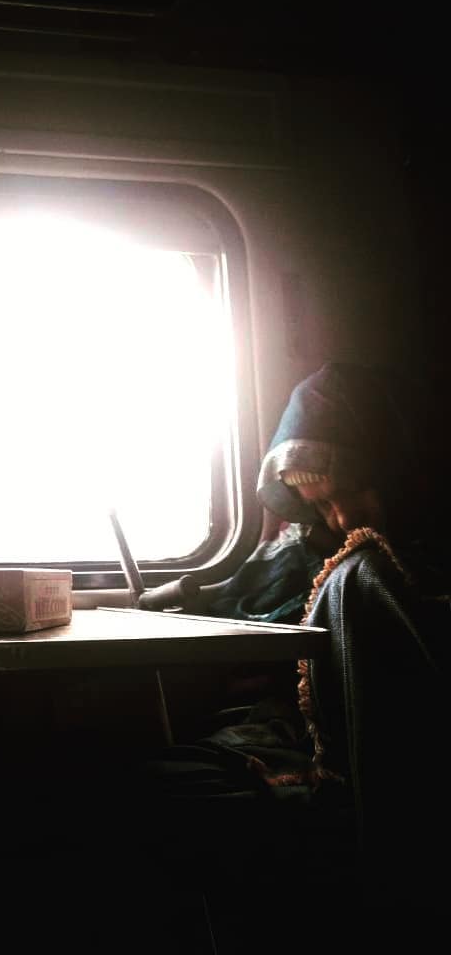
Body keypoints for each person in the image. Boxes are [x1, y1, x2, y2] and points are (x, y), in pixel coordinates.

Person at [137, 361, 450, 948]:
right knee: (159, 780)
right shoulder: (315, 547)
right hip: (292, 725)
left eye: (349, 495)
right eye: (320, 507)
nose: (339, 519)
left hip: (361, 755)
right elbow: (249, 605)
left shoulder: (373, 573)